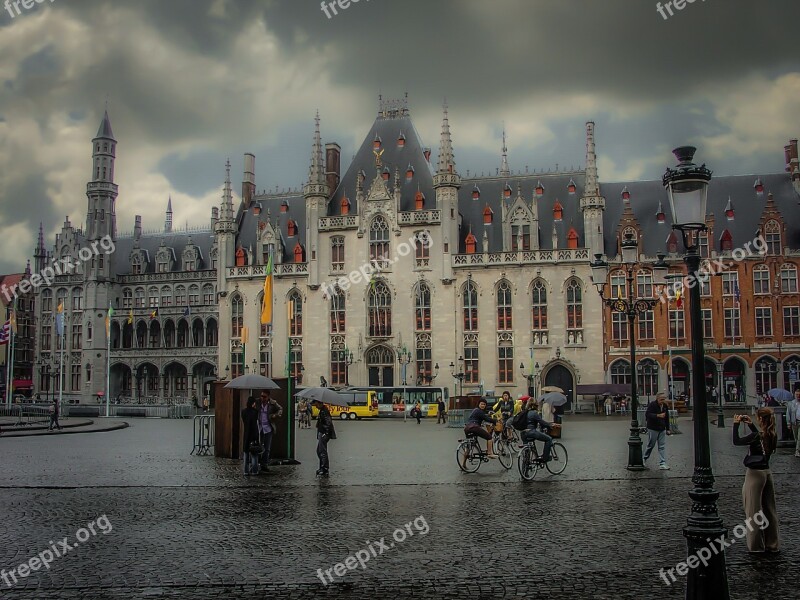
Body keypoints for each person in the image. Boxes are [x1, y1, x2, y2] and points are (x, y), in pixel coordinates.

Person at [733, 409, 780, 553]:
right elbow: (761, 441)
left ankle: (756, 546)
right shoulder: (772, 434)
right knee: (769, 510)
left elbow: (737, 441)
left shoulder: (756, 436)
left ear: (760, 419)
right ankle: (772, 544)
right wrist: (752, 425)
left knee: (753, 511)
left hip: (754, 475)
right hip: (767, 472)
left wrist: (736, 424)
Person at [643, 392, 671, 470]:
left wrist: (668, 429)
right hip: (653, 428)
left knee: (661, 446)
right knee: (651, 445)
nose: (663, 401)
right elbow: (647, 414)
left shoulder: (665, 406)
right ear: (657, 399)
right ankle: (643, 459)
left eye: (664, 399)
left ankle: (662, 463)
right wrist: (657, 415)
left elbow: (667, 417)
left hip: (662, 428)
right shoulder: (652, 404)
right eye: (661, 399)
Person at [258, 391, 283, 471]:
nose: (262, 398)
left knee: (267, 448)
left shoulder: (272, 403)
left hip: (268, 427)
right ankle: (257, 463)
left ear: (268, 397)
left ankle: (264, 464)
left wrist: (275, 415)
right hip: (259, 427)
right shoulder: (258, 402)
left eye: (264, 397)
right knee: (258, 447)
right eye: (261, 396)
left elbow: (280, 409)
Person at [312, 398, 336, 476]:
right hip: (322, 432)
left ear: (319, 403)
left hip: (323, 433)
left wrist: (326, 433)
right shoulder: (322, 410)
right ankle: (322, 467)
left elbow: (328, 422)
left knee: (322, 451)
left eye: (316, 405)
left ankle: (324, 468)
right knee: (319, 451)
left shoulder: (324, 411)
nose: (316, 407)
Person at [241, 397, 260, 476]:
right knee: (254, 454)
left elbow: (244, 421)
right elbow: (256, 422)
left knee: (246, 453)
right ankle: (254, 471)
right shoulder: (255, 412)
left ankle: (246, 471)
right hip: (253, 434)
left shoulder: (243, 412)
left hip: (246, 434)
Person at [788, 389, 800, 458]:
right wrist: (788, 423)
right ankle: (798, 449)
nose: (798, 396)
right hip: (794, 422)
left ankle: (797, 451)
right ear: (794, 395)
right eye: (797, 395)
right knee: (796, 437)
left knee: (799, 437)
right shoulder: (791, 403)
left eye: (799, 395)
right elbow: (788, 413)